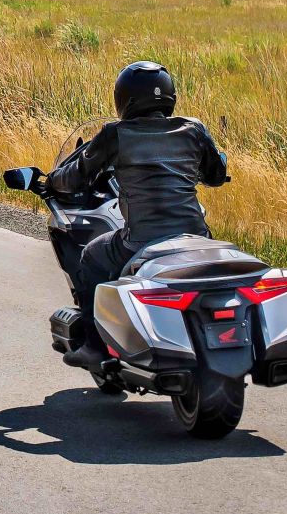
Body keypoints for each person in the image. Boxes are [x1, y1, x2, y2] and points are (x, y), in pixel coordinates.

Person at [51, 61, 227, 369]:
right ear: (169, 96)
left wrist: (53, 180)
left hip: (141, 241)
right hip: (195, 237)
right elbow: (215, 175)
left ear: (125, 99)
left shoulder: (117, 134)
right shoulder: (193, 129)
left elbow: (78, 175)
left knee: (93, 255)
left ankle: (94, 345)